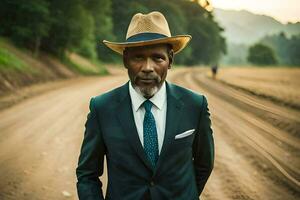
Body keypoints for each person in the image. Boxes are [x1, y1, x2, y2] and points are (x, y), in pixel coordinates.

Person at [76, 11, 214, 200]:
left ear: (170, 60)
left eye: (158, 58)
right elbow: (87, 174)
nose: (148, 67)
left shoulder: (195, 105)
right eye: (138, 57)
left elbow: (204, 164)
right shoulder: (102, 108)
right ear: (125, 60)